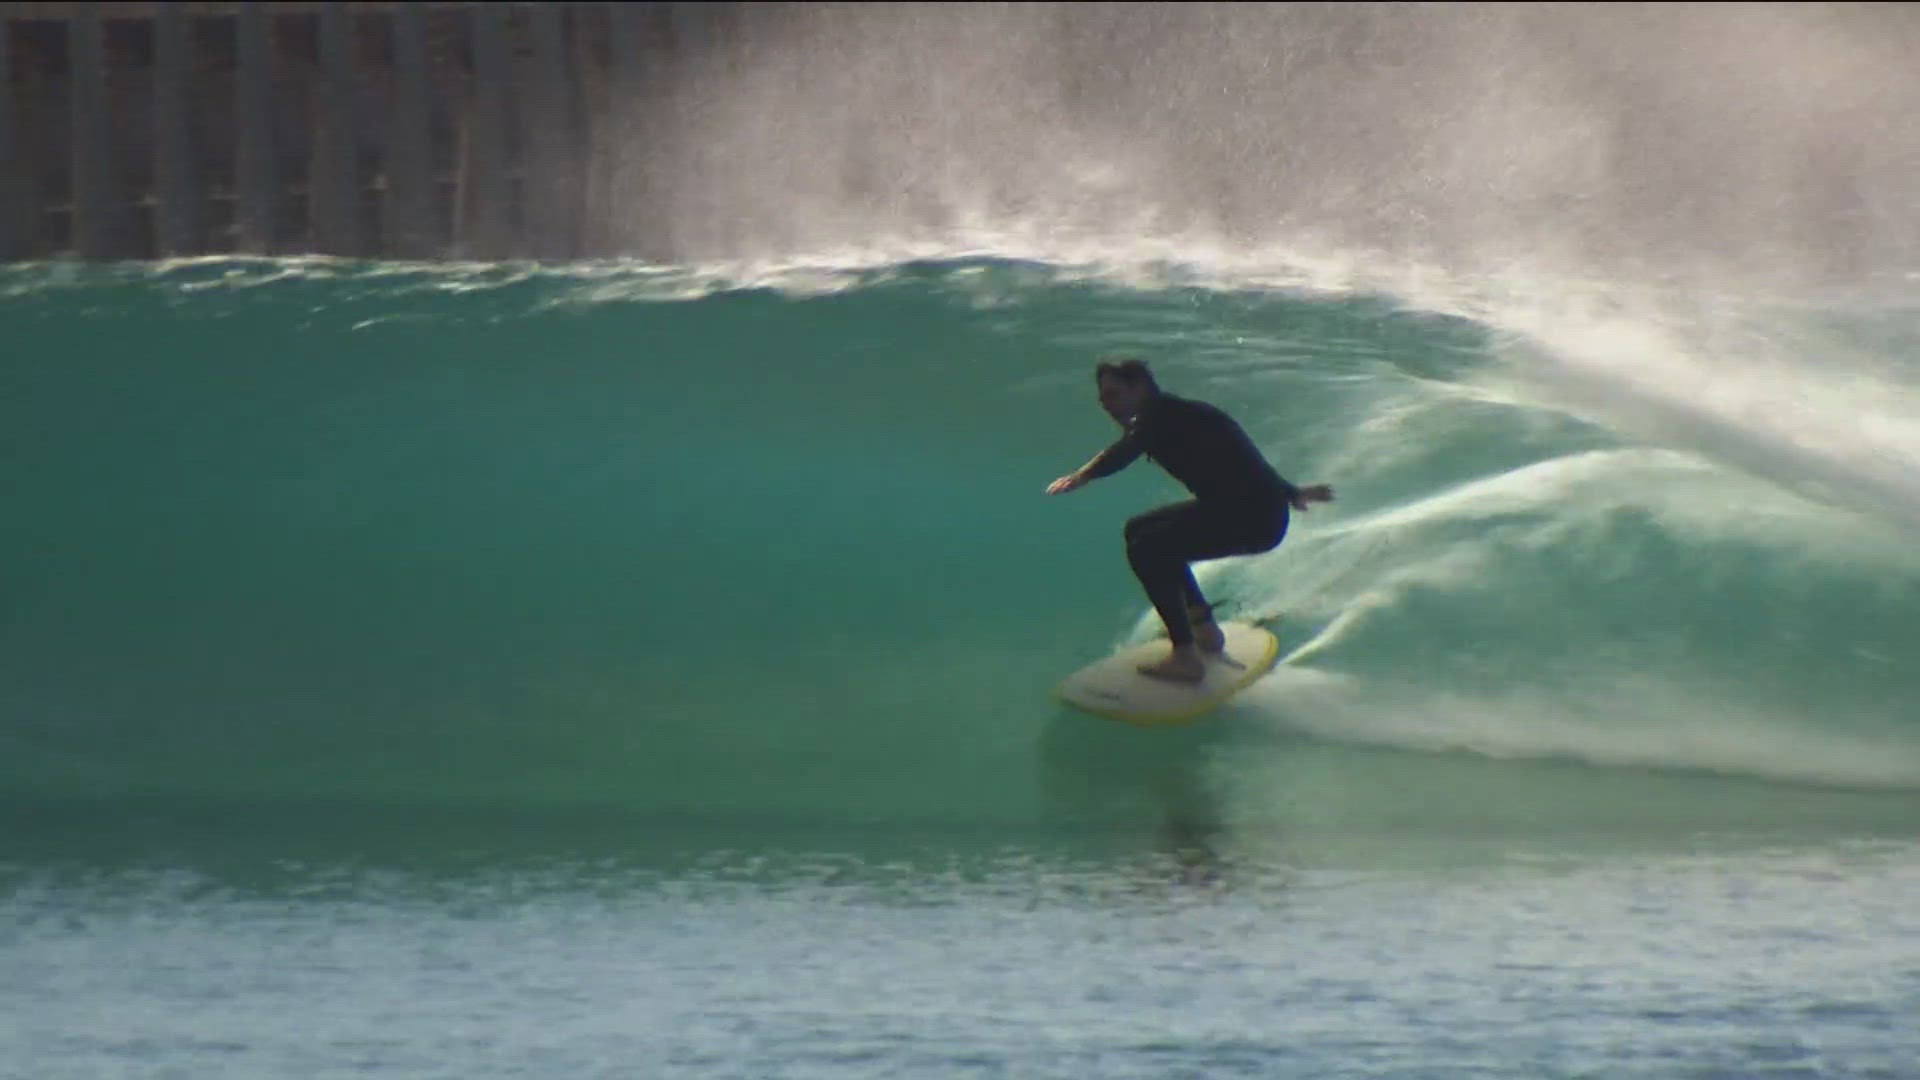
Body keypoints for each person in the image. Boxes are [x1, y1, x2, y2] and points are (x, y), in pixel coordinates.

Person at [1047, 358, 1334, 683]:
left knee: (1149, 548)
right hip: (1245, 511)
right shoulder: (1178, 415)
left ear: (1139, 386)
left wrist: (1084, 475)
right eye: (1102, 399)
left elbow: (1126, 450)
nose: (1107, 406)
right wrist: (1292, 492)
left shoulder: (1162, 419)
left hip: (1252, 520)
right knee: (1139, 530)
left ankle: (1185, 656)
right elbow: (1243, 458)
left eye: (1113, 394)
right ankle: (1204, 630)